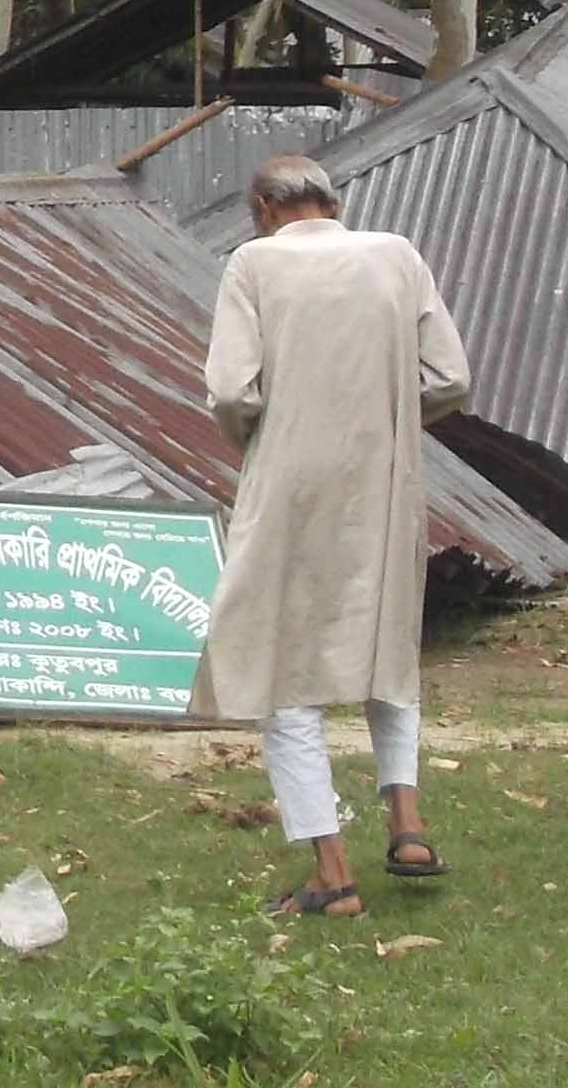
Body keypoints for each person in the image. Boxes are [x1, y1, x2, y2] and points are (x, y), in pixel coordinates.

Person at [186, 153, 474, 919]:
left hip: (290, 473)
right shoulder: (396, 254)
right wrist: (378, 410)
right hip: (384, 474)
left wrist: (259, 430)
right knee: (384, 639)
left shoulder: (253, 264)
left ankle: (331, 870)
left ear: (261, 208)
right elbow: (449, 379)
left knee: (279, 662)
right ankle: (407, 823)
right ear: (332, 202)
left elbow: (229, 389)